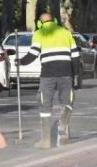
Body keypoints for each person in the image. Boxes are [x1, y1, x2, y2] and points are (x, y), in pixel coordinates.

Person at [18, 13, 80, 148]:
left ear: (40, 24)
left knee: (45, 106)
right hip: (66, 73)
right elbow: (75, 55)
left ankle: (46, 141)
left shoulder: (39, 33)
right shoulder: (66, 33)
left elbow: (33, 54)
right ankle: (63, 127)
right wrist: (75, 75)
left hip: (48, 75)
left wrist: (20, 62)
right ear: (55, 21)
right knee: (67, 101)